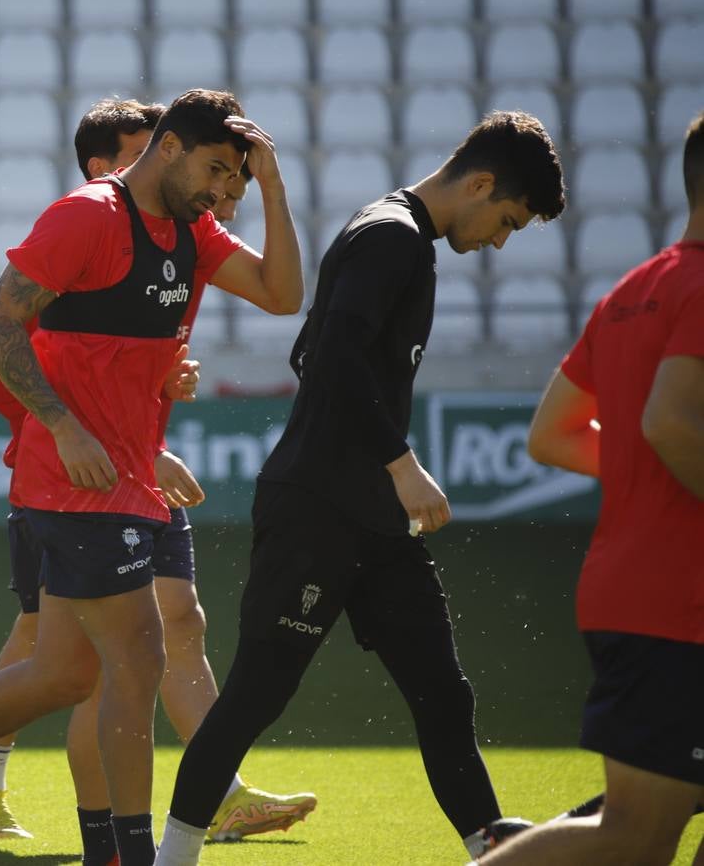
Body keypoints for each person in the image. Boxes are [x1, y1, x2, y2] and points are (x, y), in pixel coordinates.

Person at [0, 88, 304, 866]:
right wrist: (59, 425)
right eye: (219, 171)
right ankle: (126, 854)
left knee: (64, 673)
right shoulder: (88, 216)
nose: (225, 191)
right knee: (139, 660)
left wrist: (274, 187)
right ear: (167, 148)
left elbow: (283, 295)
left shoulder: (194, 230)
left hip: (128, 479)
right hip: (74, 483)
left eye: (237, 180)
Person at [153, 111, 568, 866]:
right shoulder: (391, 236)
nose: (500, 240)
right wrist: (400, 462)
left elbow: (322, 347)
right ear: (479, 184)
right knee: (256, 695)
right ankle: (171, 856)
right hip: (318, 508)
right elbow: (329, 353)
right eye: (505, 219)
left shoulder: (399, 235)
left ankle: (491, 852)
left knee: (444, 694)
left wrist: (389, 477)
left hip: (374, 523)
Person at [476, 112, 704, 866]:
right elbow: (671, 423)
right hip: (679, 602)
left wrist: (642, 468)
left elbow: (553, 435)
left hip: (631, 587)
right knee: (636, 838)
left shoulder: (635, 289)